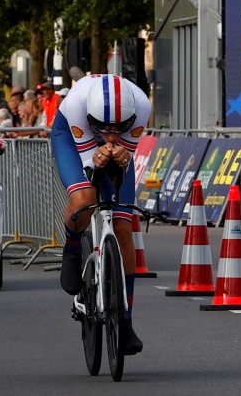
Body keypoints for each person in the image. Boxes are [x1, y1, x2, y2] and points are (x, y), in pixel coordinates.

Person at [51, 74, 151, 355]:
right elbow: (92, 167)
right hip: (71, 137)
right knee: (85, 198)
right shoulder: (75, 106)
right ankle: (72, 249)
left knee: (123, 225)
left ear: (130, 118)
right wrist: (100, 153)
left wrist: (119, 154)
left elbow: (121, 160)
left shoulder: (141, 106)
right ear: (93, 119)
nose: (110, 134)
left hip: (111, 144)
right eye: (104, 128)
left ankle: (126, 320)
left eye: (118, 128)